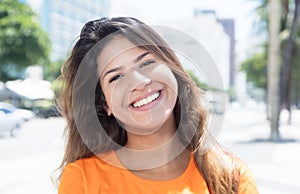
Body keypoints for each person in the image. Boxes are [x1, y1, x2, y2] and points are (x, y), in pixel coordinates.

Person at [57, 17, 258, 194]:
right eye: (116, 77)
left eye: (146, 63)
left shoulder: (231, 175)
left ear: (172, 70)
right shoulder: (82, 180)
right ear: (104, 103)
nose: (139, 82)